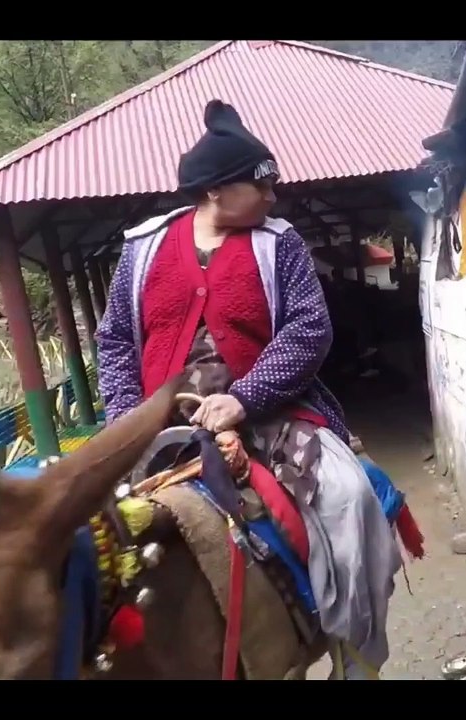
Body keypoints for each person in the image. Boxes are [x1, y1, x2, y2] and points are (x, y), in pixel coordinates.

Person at [95, 99, 402, 679]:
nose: (272, 195)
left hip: (272, 414)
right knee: (87, 537)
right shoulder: (142, 250)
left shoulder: (277, 243)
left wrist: (245, 396)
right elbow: (113, 341)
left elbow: (310, 327)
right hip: (156, 428)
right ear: (215, 190)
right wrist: (126, 421)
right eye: (261, 183)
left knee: (350, 499)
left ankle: (356, 656)